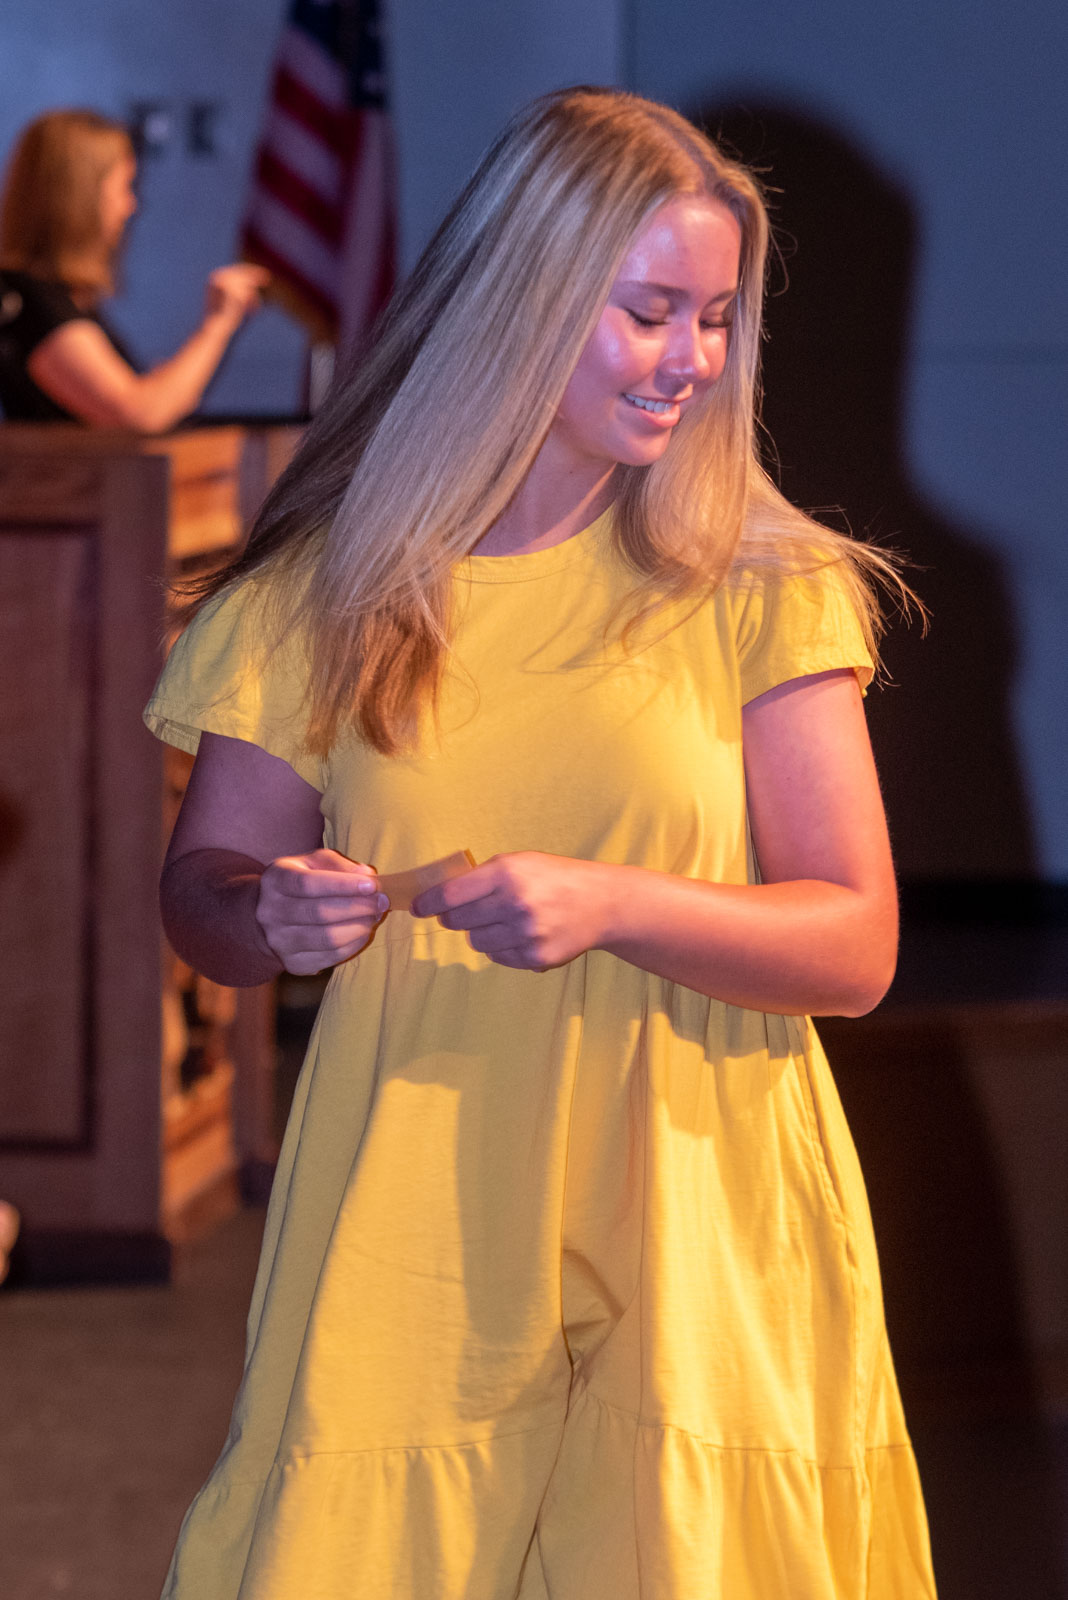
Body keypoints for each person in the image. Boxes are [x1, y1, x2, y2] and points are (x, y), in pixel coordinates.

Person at [145, 87, 937, 1599]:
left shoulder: (765, 588)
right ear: (523, 301)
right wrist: (270, 914)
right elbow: (203, 901)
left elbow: (856, 944)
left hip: (701, 1209)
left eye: (716, 319)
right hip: (414, 1218)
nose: (692, 359)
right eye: (649, 313)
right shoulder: (317, 598)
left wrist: (617, 903)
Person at [0, 108, 267, 428]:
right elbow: (136, 413)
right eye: (124, 186)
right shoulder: (30, 300)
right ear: (81, 196)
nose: (131, 205)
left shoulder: (62, 297)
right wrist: (217, 324)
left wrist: (168, 388)